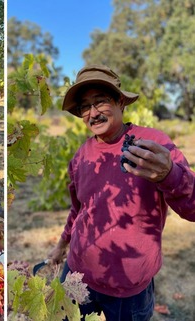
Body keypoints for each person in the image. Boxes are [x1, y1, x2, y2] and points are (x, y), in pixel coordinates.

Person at [47, 65, 195, 320]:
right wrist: (62, 245)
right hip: (76, 272)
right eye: (85, 107)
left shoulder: (153, 145)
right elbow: (79, 209)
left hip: (128, 287)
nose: (93, 113)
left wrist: (170, 174)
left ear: (120, 102)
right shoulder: (81, 155)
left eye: (100, 102)